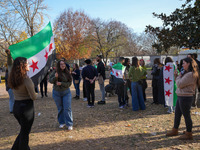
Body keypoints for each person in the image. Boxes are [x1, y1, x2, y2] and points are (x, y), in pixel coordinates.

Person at [6, 49, 37, 150]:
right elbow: (34, 97)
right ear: (23, 66)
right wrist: (34, 89)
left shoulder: (12, 77)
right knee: (24, 135)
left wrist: (9, 55)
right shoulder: (26, 79)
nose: (29, 65)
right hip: (26, 109)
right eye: (27, 63)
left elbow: (10, 65)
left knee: (23, 132)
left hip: (17, 107)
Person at [166, 57, 200, 140]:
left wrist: (178, 77)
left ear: (188, 64)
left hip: (186, 97)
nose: (182, 65)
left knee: (186, 116)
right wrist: (176, 76)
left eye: (184, 63)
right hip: (181, 96)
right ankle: (175, 130)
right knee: (177, 114)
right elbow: (179, 82)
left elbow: (179, 84)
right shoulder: (186, 73)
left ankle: (189, 133)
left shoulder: (190, 74)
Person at [49, 60, 73, 130]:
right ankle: (62, 122)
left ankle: (69, 124)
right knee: (60, 108)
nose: (63, 65)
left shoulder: (67, 72)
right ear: (58, 66)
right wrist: (55, 77)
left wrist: (61, 83)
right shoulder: (55, 72)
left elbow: (69, 83)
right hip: (56, 93)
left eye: (64, 64)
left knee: (67, 108)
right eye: (61, 64)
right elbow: (50, 81)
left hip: (66, 93)